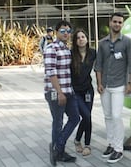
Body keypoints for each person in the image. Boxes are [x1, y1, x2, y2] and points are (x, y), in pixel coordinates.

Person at [94, 12, 131, 164]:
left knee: (117, 116)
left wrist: (130, 83)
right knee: (107, 116)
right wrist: (99, 83)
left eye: (120, 22)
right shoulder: (102, 43)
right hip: (105, 86)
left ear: (122, 24)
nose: (117, 24)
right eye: (115, 22)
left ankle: (119, 149)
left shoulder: (127, 42)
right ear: (110, 23)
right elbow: (98, 65)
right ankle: (111, 144)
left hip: (120, 85)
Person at [44, 20, 80, 166]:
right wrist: (59, 93)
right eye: (63, 31)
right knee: (58, 122)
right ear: (57, 32)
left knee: (75, 118)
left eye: (68, 31)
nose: (66, 34)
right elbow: (51, 72)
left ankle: (57, 147)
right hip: (56, 92)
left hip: (68, 91)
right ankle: (58, 152)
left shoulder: (66, 49)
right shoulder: (52, 48)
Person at [71, 29, 96, 157]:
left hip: (88, 90)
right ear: (75, 41)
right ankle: (82, 142)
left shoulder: (93, 53)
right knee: (86, 116)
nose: (81, 39)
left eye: (83, 37)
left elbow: (102, 65)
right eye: (78, 37)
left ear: (87, 39)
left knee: (87, 116)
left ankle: (83, 143)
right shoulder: (71, 54)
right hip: (75, 92)